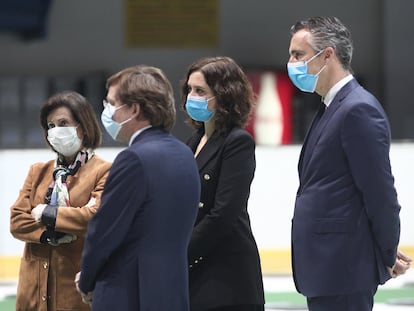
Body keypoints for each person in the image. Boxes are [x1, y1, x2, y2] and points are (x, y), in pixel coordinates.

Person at [287, 16, 412, 311]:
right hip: (327, 267)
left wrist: (385, 253)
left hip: (342, 268)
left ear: (327, 54)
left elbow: (380, 193)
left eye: (298, 55)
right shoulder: (331, 106)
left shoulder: (358, 109)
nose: (290, 63)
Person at [75, 65, 201, 310]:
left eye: (112, 103)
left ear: (134, 109)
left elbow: (104, 232)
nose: (107, 112)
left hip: (129, 293)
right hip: (172, 292)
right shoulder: (184, 153)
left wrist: (87, 280)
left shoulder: (133, 159)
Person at [10, 90, 111, 311]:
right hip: (32, 295)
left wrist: (47, 213)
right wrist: (48, 235)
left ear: (83, 126)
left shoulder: (103, 171)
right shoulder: (38, 171)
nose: (55, 131)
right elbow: (17, 221)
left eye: (63, 123)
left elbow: (94, 218)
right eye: (50, 126)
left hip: (75, 295)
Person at [180, 56, 265, 311]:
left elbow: (223, 214)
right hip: (197, 269)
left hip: (226, 275)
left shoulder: (237, 142)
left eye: (200, 91)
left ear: (224, 95)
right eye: (190, 90)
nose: (191, 97)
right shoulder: (193, 142)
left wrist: (180, 255)